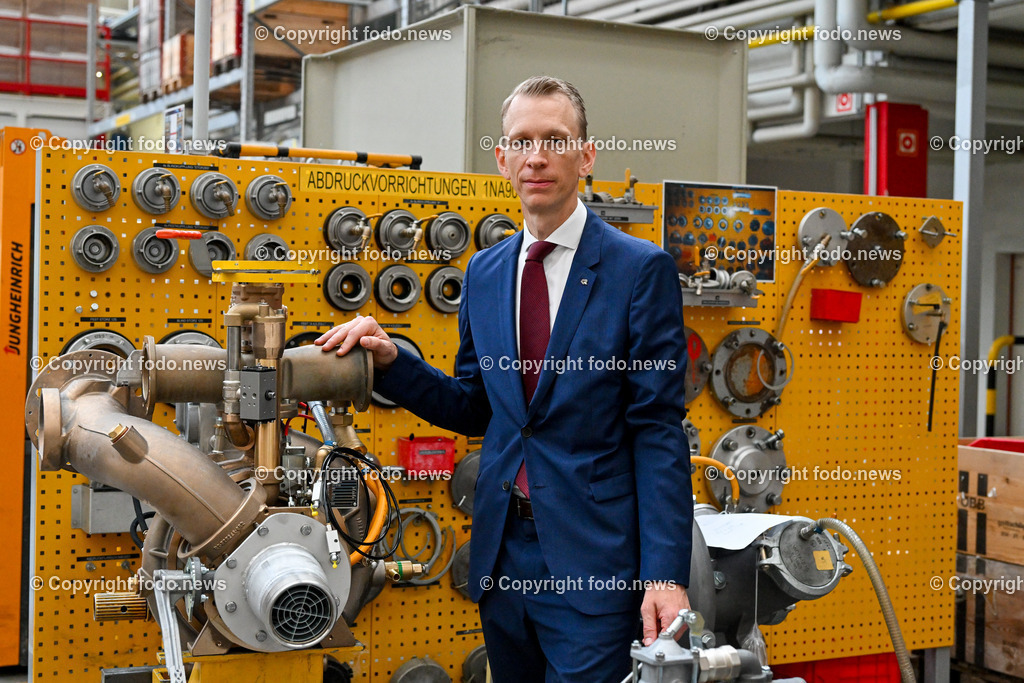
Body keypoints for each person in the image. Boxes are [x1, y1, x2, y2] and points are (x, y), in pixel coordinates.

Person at [316, 75, 693, 683]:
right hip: (500, 557)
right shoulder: (486, 272)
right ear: (502, 157)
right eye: (521, 141)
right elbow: (477, 408)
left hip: (593, 563)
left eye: (554, 139)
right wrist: (393, 363)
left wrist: (666, 577)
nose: (536, 156)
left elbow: (657, 431)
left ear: (586, 155)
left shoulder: (638, 271)